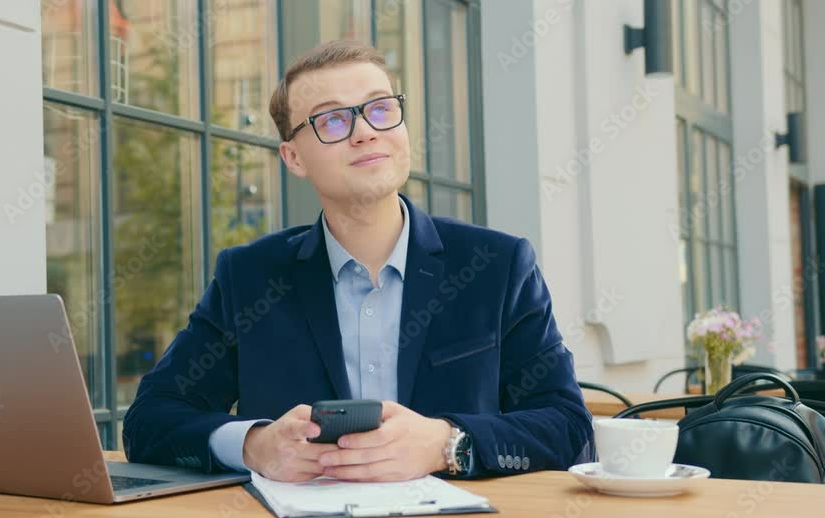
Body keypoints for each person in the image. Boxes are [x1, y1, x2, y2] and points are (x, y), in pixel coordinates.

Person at [123, 40, 593, 482]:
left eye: (381, 109)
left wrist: (448, 444)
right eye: (331, 121)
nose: (366, 132)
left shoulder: (498, 266)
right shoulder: (249, 277)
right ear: (293, 157)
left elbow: (569, 427)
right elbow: (150, 420)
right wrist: (254, 445)